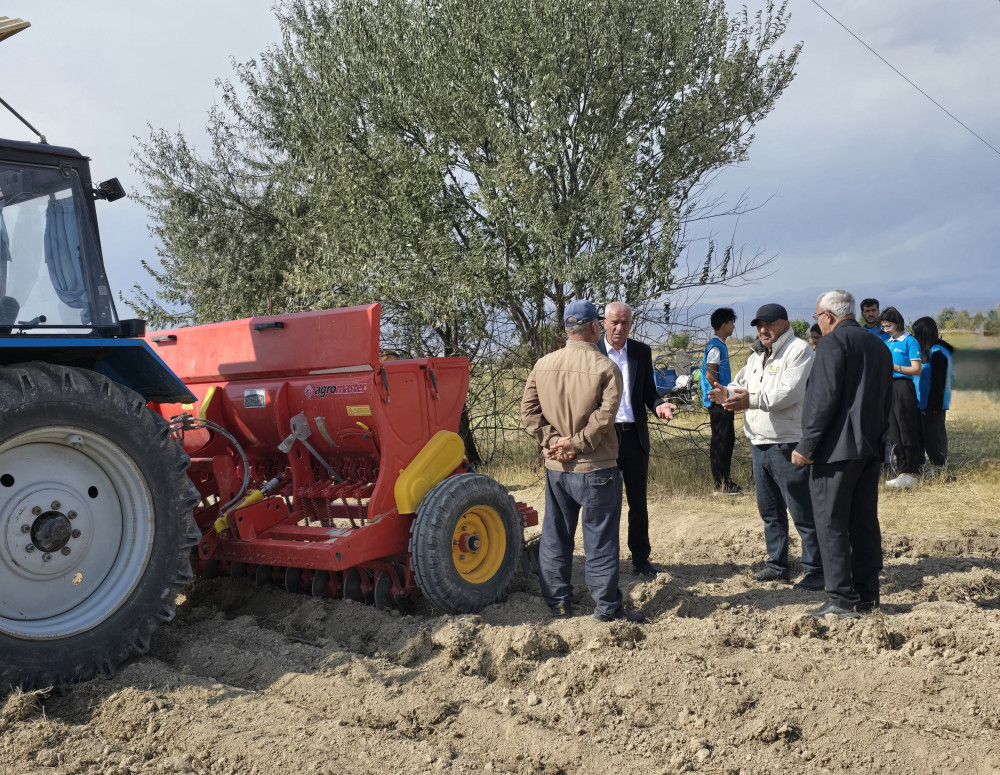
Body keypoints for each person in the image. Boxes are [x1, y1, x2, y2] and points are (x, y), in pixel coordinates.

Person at [521, 299, 645, 623]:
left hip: (557, 469)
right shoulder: (607, 368)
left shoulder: (542, 365)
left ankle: (558, 604)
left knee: (556, 535)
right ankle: (607, 610)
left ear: (566, 328)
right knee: (600, 540)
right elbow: (606, 418)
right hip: (596, 468)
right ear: (594, 327)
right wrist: (576, 444)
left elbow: (528, 413)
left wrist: (553, 443)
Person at [708, 303, 823, 589]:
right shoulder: (758, 354)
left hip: (786, 444)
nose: (763, 330)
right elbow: (741, 383)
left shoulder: (798, 351)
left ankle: (816, 569)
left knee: (802, 511)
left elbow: (787, 392)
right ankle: (777, 565)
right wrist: (726, 392)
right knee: (769, 511)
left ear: (785, 324)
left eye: (769, 324)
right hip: (758, 443)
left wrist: (750, 400)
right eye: (760, 325)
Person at [792, 290, 893, 618]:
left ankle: (840, 598)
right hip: (869, 448)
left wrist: (806, 447)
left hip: (834, 452)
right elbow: (886, 398)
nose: (818, 324)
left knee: (830, 522)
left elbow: (822, 400)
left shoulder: (832, 344)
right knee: (864, 522)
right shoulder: (878, 344)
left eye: (817, 317)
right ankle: (867, 595)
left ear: (829, 316)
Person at [598, 302, 676, 577]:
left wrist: (658, 405)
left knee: (637, 502)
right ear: (603, 323)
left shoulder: (641, 352)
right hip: (603, 439)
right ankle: (606, 562)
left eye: (625, 323)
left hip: (634, 437)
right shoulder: (592, 353)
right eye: (614, 322)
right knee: (605, 503)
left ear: (632, 324)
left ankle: (641, 561)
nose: (619, 328)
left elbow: (648, 392)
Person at [879, 306, 923, 489]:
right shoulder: (888, 342)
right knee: (894, 431)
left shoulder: (910, 342)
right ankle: (902, 470)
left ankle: (912, 471)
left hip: (903, 386)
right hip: (888, 387)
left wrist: (895, 367)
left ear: (897, 323)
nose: (886, 330)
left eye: (888, 326)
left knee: (906, 428)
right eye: (884, 327)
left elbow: (916, 369)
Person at [700, 307, 740, 495]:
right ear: (724, 325)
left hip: (718, 400)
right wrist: (720, 391)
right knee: (723, 440)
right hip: (718, 401)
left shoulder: (717, 345)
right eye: (732, 323)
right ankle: (722, 484)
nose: (733, 326)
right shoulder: (716, 347)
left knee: (723, 439)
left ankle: (724, 482)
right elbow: (710, 373)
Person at [911, 316, 955, 475]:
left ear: (924, 333)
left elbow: (939, 383)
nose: (914, 336)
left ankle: (939, 467)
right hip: (922, 401)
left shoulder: (939, 353)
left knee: (934, 435)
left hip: (933, 403)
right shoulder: (925, 350)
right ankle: (922, 463)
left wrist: (935, 406)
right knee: (923, 435)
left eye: (916, 333)